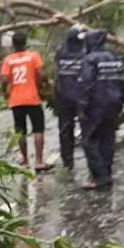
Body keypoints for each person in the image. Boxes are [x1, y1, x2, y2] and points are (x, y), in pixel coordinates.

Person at [78, 29, 124, 189]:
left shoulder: (90, 60)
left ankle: (101, 176)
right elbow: (123, 82)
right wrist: (120, 102)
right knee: (108, 139)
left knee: (89, 141)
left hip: (96, 105)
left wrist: (82, 106)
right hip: (113, 104)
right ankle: (105, 173)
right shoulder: (114, 58)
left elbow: (86, 84)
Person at [0, 31, 50, 171]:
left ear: (13, 45)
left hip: (16, 100)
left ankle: (26, 161)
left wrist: (5, 91)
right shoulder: (33, 56)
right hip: (33, 99)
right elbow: (41, 74)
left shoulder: (8, 60)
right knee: (38, 129)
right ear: (26, 43)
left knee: (20, 131)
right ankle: (39, 162)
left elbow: (4, 80)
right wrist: (46, 83)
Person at [53, 26, 88, 170]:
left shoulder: (61, 52)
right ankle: (92, 159)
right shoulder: (84, 53)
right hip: (81, 97)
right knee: (87, 128)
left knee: (65, 129)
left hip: (63, 96)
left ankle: (68, 161)